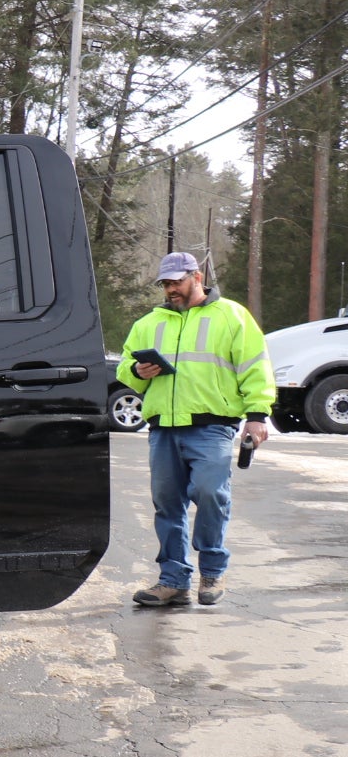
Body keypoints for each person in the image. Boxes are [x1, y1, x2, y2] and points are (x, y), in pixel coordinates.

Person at [119, 252, 273, 607]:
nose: (170, 289)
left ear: (197, 277)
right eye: (165, 284)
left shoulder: (231, 316)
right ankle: (173, 581)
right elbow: (125, 367)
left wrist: (257, 415)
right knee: (167, 504)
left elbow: (256, 367)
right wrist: (136, 372)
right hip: (163, 428)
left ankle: (212, 572)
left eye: (176, 282)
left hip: (212, 426)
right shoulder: (149, 322)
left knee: (209, 493)